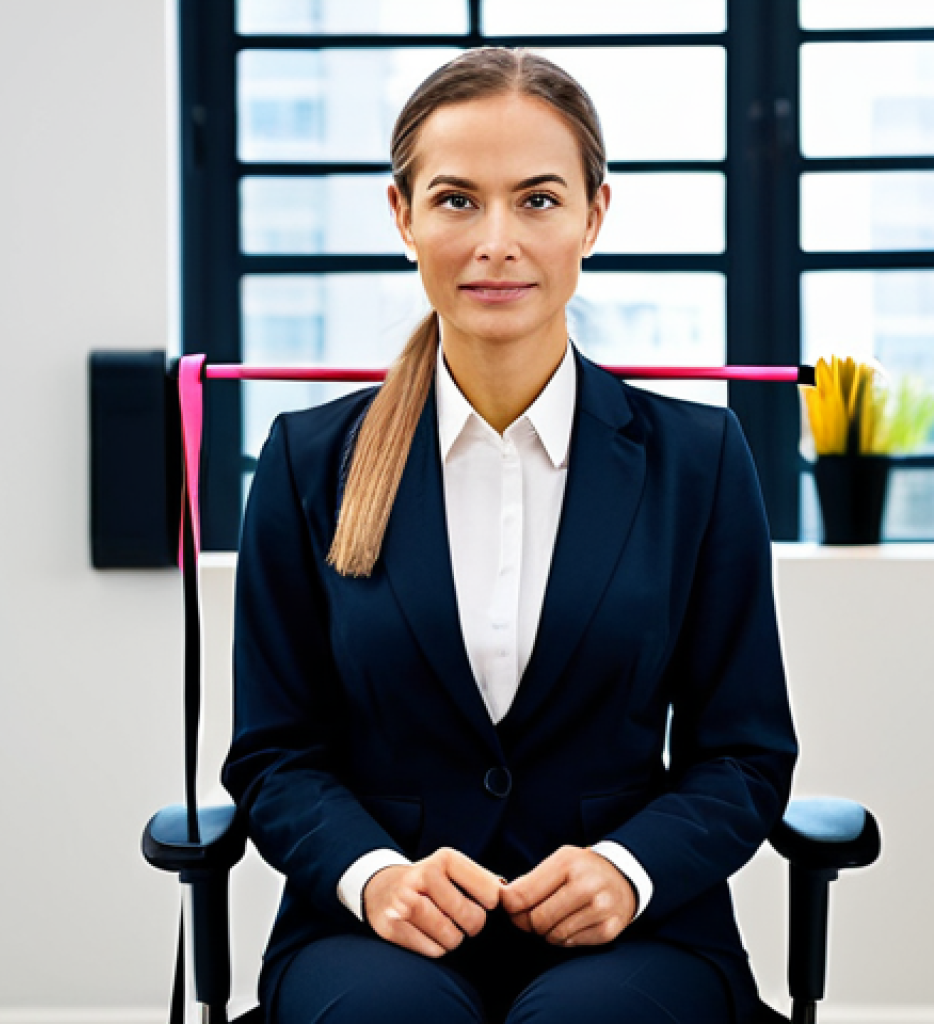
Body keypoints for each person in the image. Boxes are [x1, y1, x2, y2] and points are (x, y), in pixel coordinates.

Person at [223, 47, 797, 1024]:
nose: (497, 242)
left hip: (638, 935)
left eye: (536, 200)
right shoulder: (302, 463)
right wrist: (370, 876)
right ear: (402, 216)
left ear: (593, 216)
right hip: (370, 931)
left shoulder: (697, 460)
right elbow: (275, 752)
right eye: (456, 201)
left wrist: (628, 868)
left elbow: (743, 753)